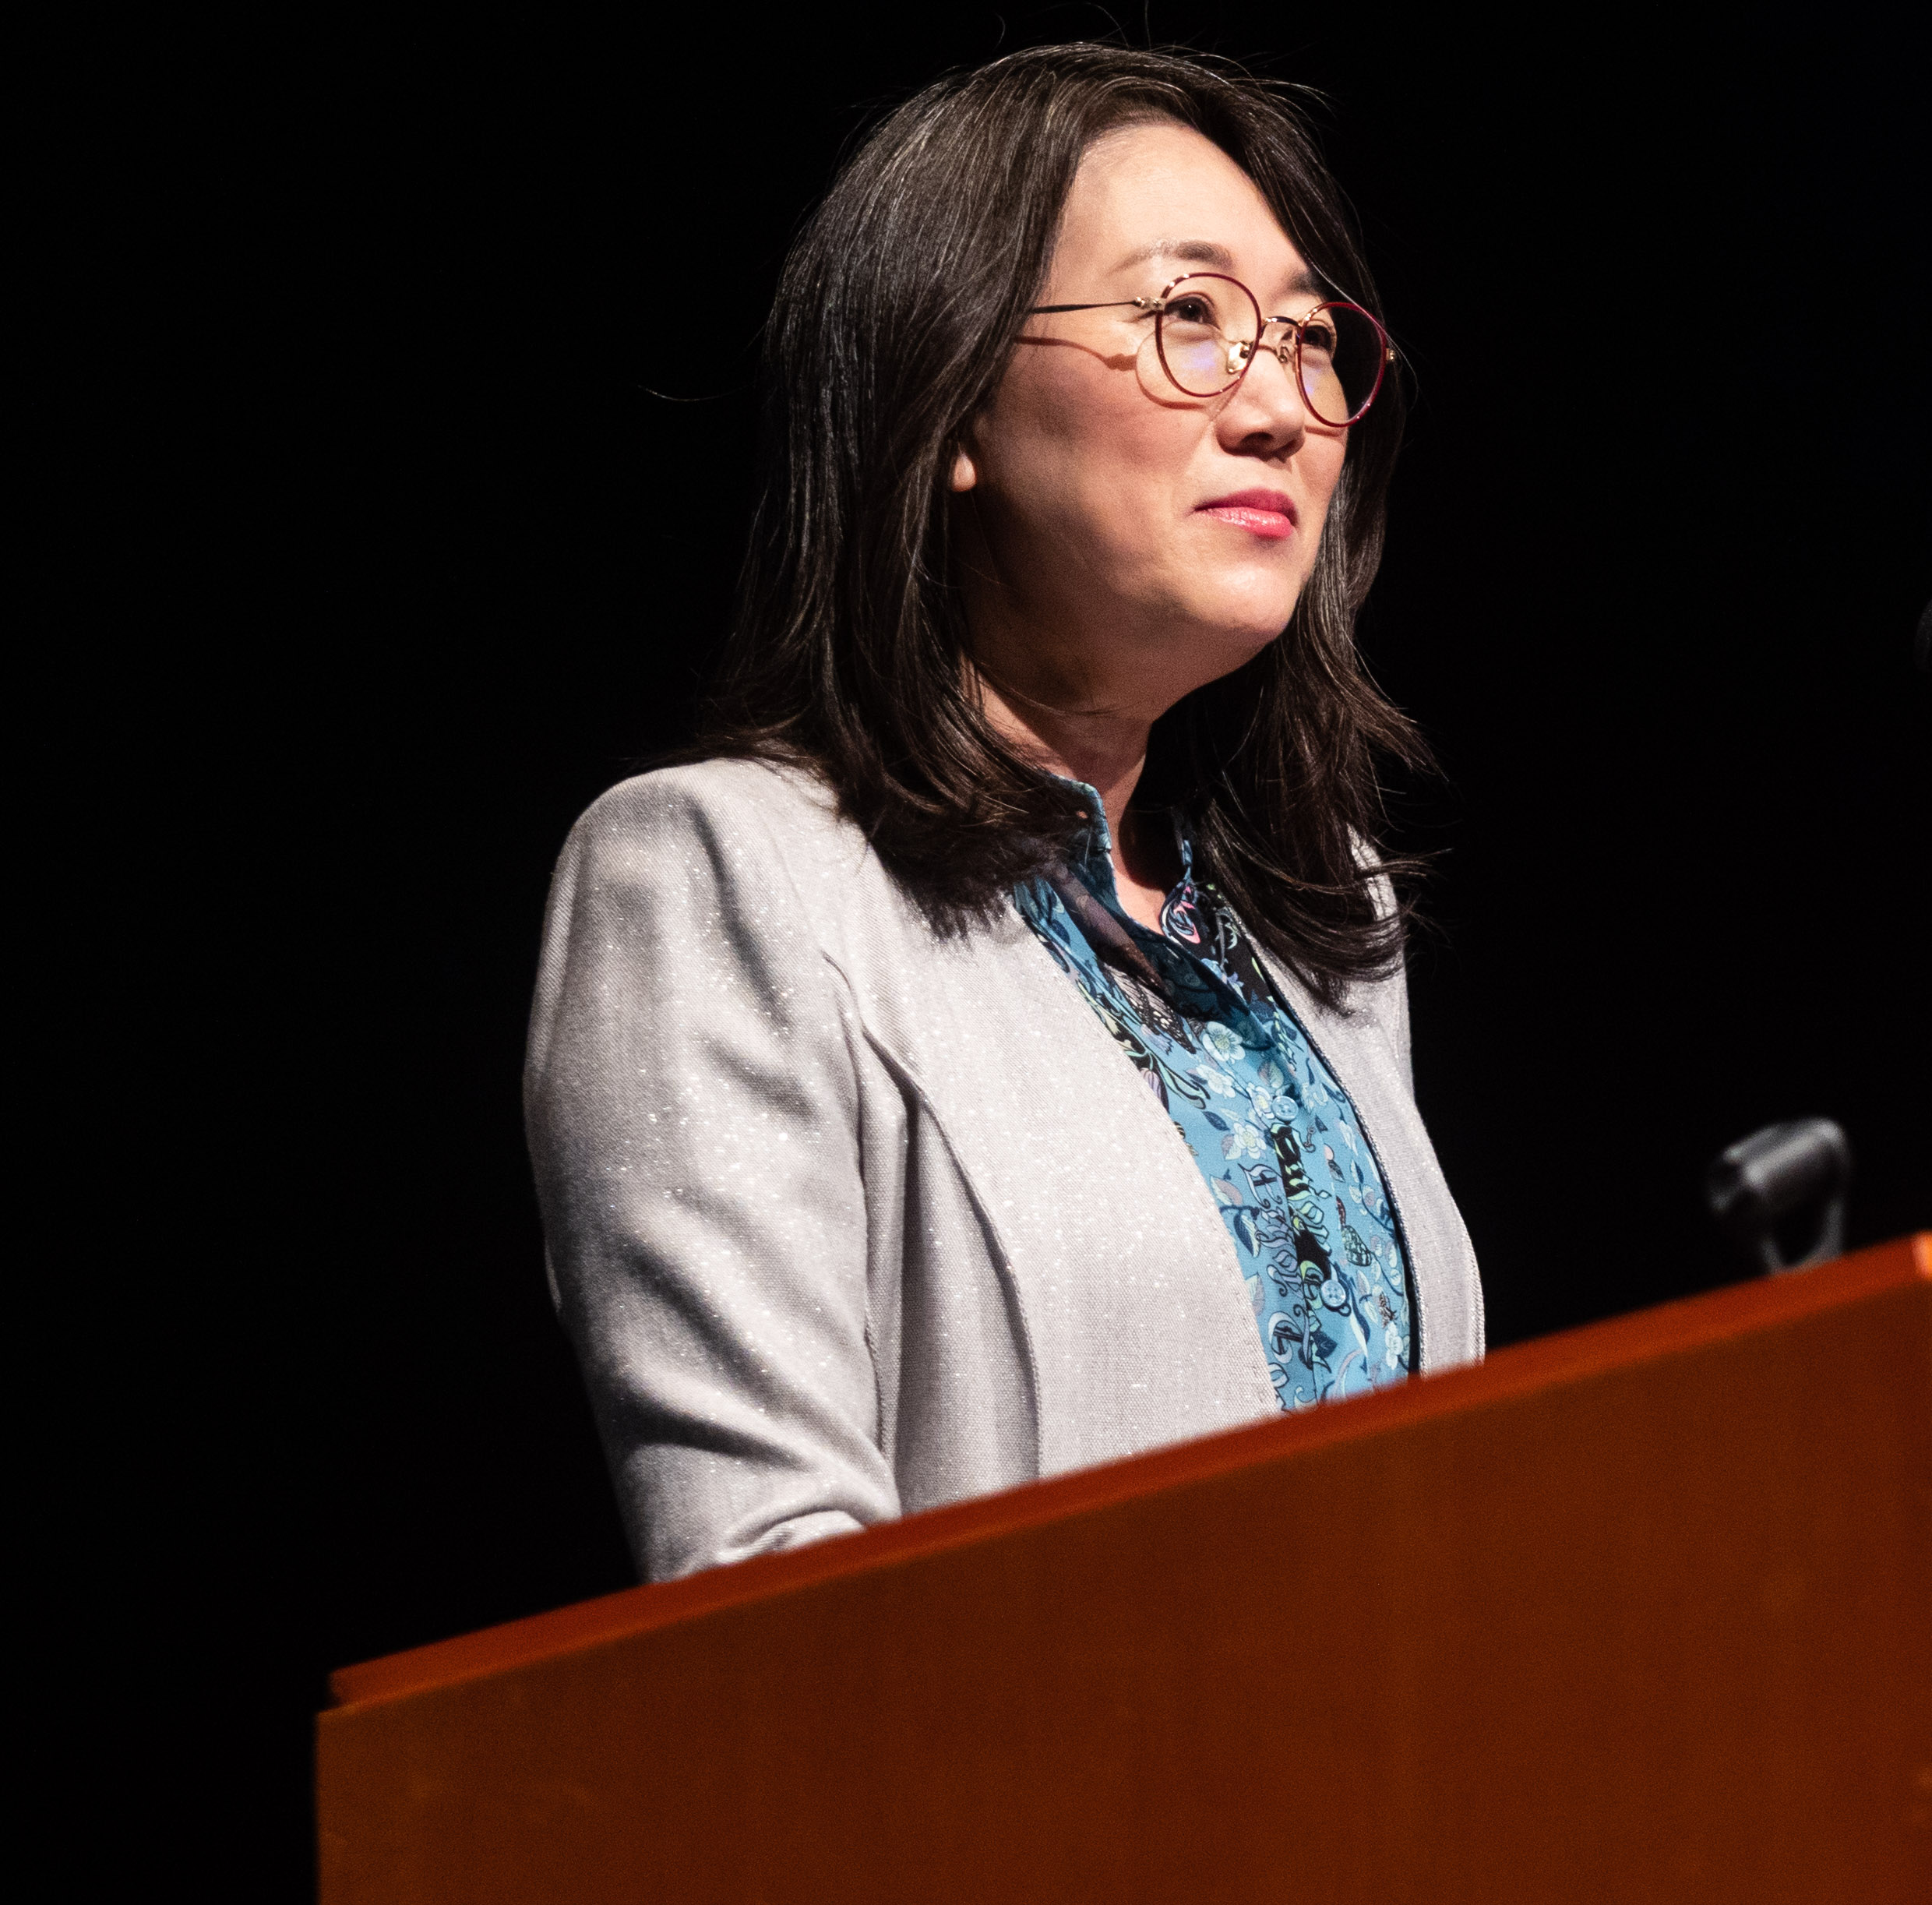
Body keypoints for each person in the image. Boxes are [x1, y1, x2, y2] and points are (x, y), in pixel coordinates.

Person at [527, 44, 1481, 1582]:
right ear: (951, 393)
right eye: (1187, 318)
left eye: (1308, 340)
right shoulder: (721, 876)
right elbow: (760, 1583)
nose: (1280, 409)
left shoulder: (1325, 925)